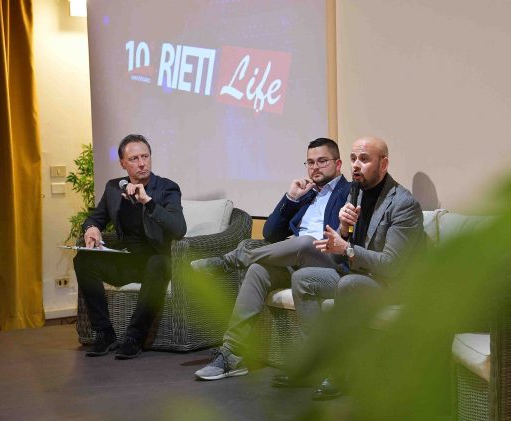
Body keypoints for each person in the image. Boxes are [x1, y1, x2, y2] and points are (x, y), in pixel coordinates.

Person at [193, 137, 351, 380]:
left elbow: (348, 235)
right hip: (297, 260)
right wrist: (291, 197)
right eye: (310, 162)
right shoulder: (307, 194)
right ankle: (233, 354)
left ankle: (229, 261)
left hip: (329, 262)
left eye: (322, 161)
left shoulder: (349, 192)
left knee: (304, 242)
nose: (315, 167)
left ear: (338, 164)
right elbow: (270, 233)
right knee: (257, 270)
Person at [283, 136, 425, 400]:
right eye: (353, 159)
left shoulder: (402, 203)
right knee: (303, 279)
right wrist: (344, 229)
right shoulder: (354, 193)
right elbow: (341, 250)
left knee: (349, 284)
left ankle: (340, 372)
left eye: (364, 159)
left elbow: (392, 265)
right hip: (358, 274)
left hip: (391, 284)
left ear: (384, 164)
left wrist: (346, 248)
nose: (356, 165)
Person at [74, 134, 186, 359]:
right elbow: (95, 217)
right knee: (83, 260)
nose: (142, 163)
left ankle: (134, 337)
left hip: (158, 260)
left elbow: (179, 228)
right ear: (123, 163)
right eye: (134, 159)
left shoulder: (167, 188)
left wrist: (148, 202)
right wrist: (91, 228)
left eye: (145, 157)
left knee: (157, 263)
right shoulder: (114, 188)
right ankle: (105, 333)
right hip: (128, 261)